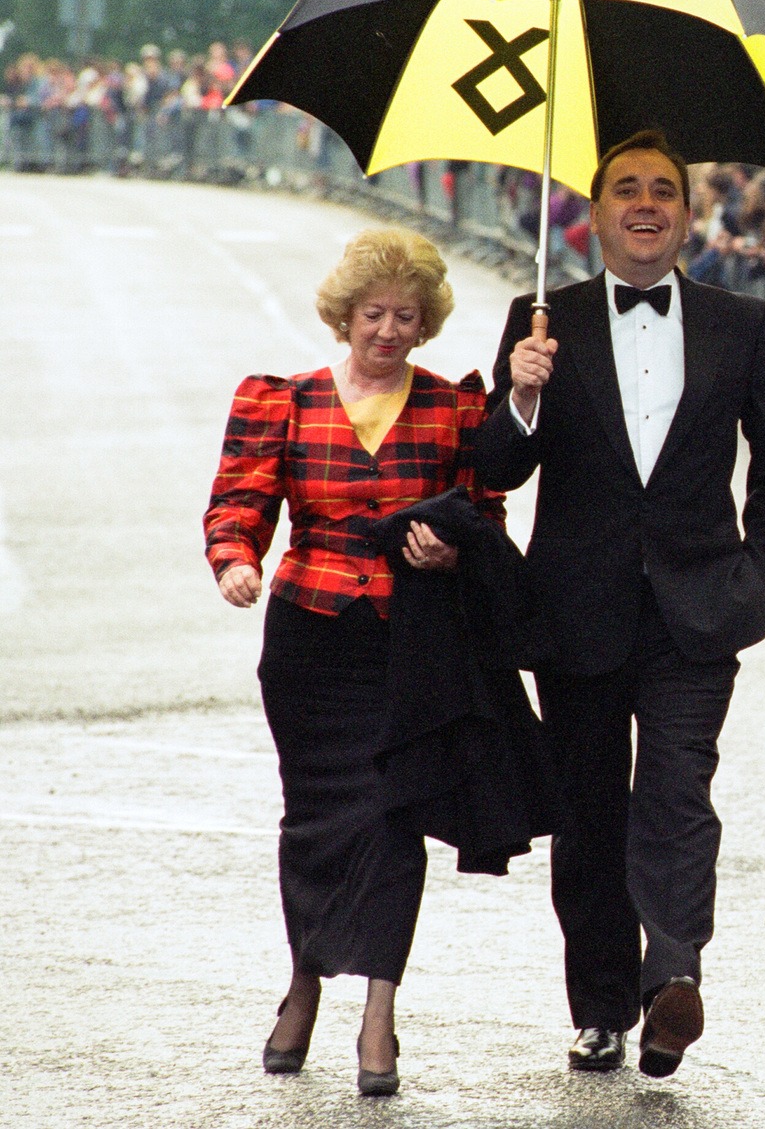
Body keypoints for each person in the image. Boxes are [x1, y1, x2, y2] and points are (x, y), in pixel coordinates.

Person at [475, 130, 765, 1079]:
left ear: (690, 215)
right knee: (589, 814)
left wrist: (756, 578)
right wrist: (521, 397)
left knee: (675, 792)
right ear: (595, 209)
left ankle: (672, 979)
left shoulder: (743, 322)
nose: (647, 203)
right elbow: (495, 467)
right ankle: (600, 1006)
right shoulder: (542, 320)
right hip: (574, 611)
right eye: (627, 188)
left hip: (697, 615)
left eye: (666, 189)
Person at [204, 228, 503, 1097]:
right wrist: (236, 559)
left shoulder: (454, 408)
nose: (387, 330)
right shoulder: (282, 399)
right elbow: (239, 499)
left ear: (425, 323)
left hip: (410, 644)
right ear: (345, 315)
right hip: (309, 640)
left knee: (394, 819)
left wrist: (455, 552)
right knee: (317, 820)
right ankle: (302, 984)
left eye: (405, 316)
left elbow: (486, 516)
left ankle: (379, 1009)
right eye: (373, 313)